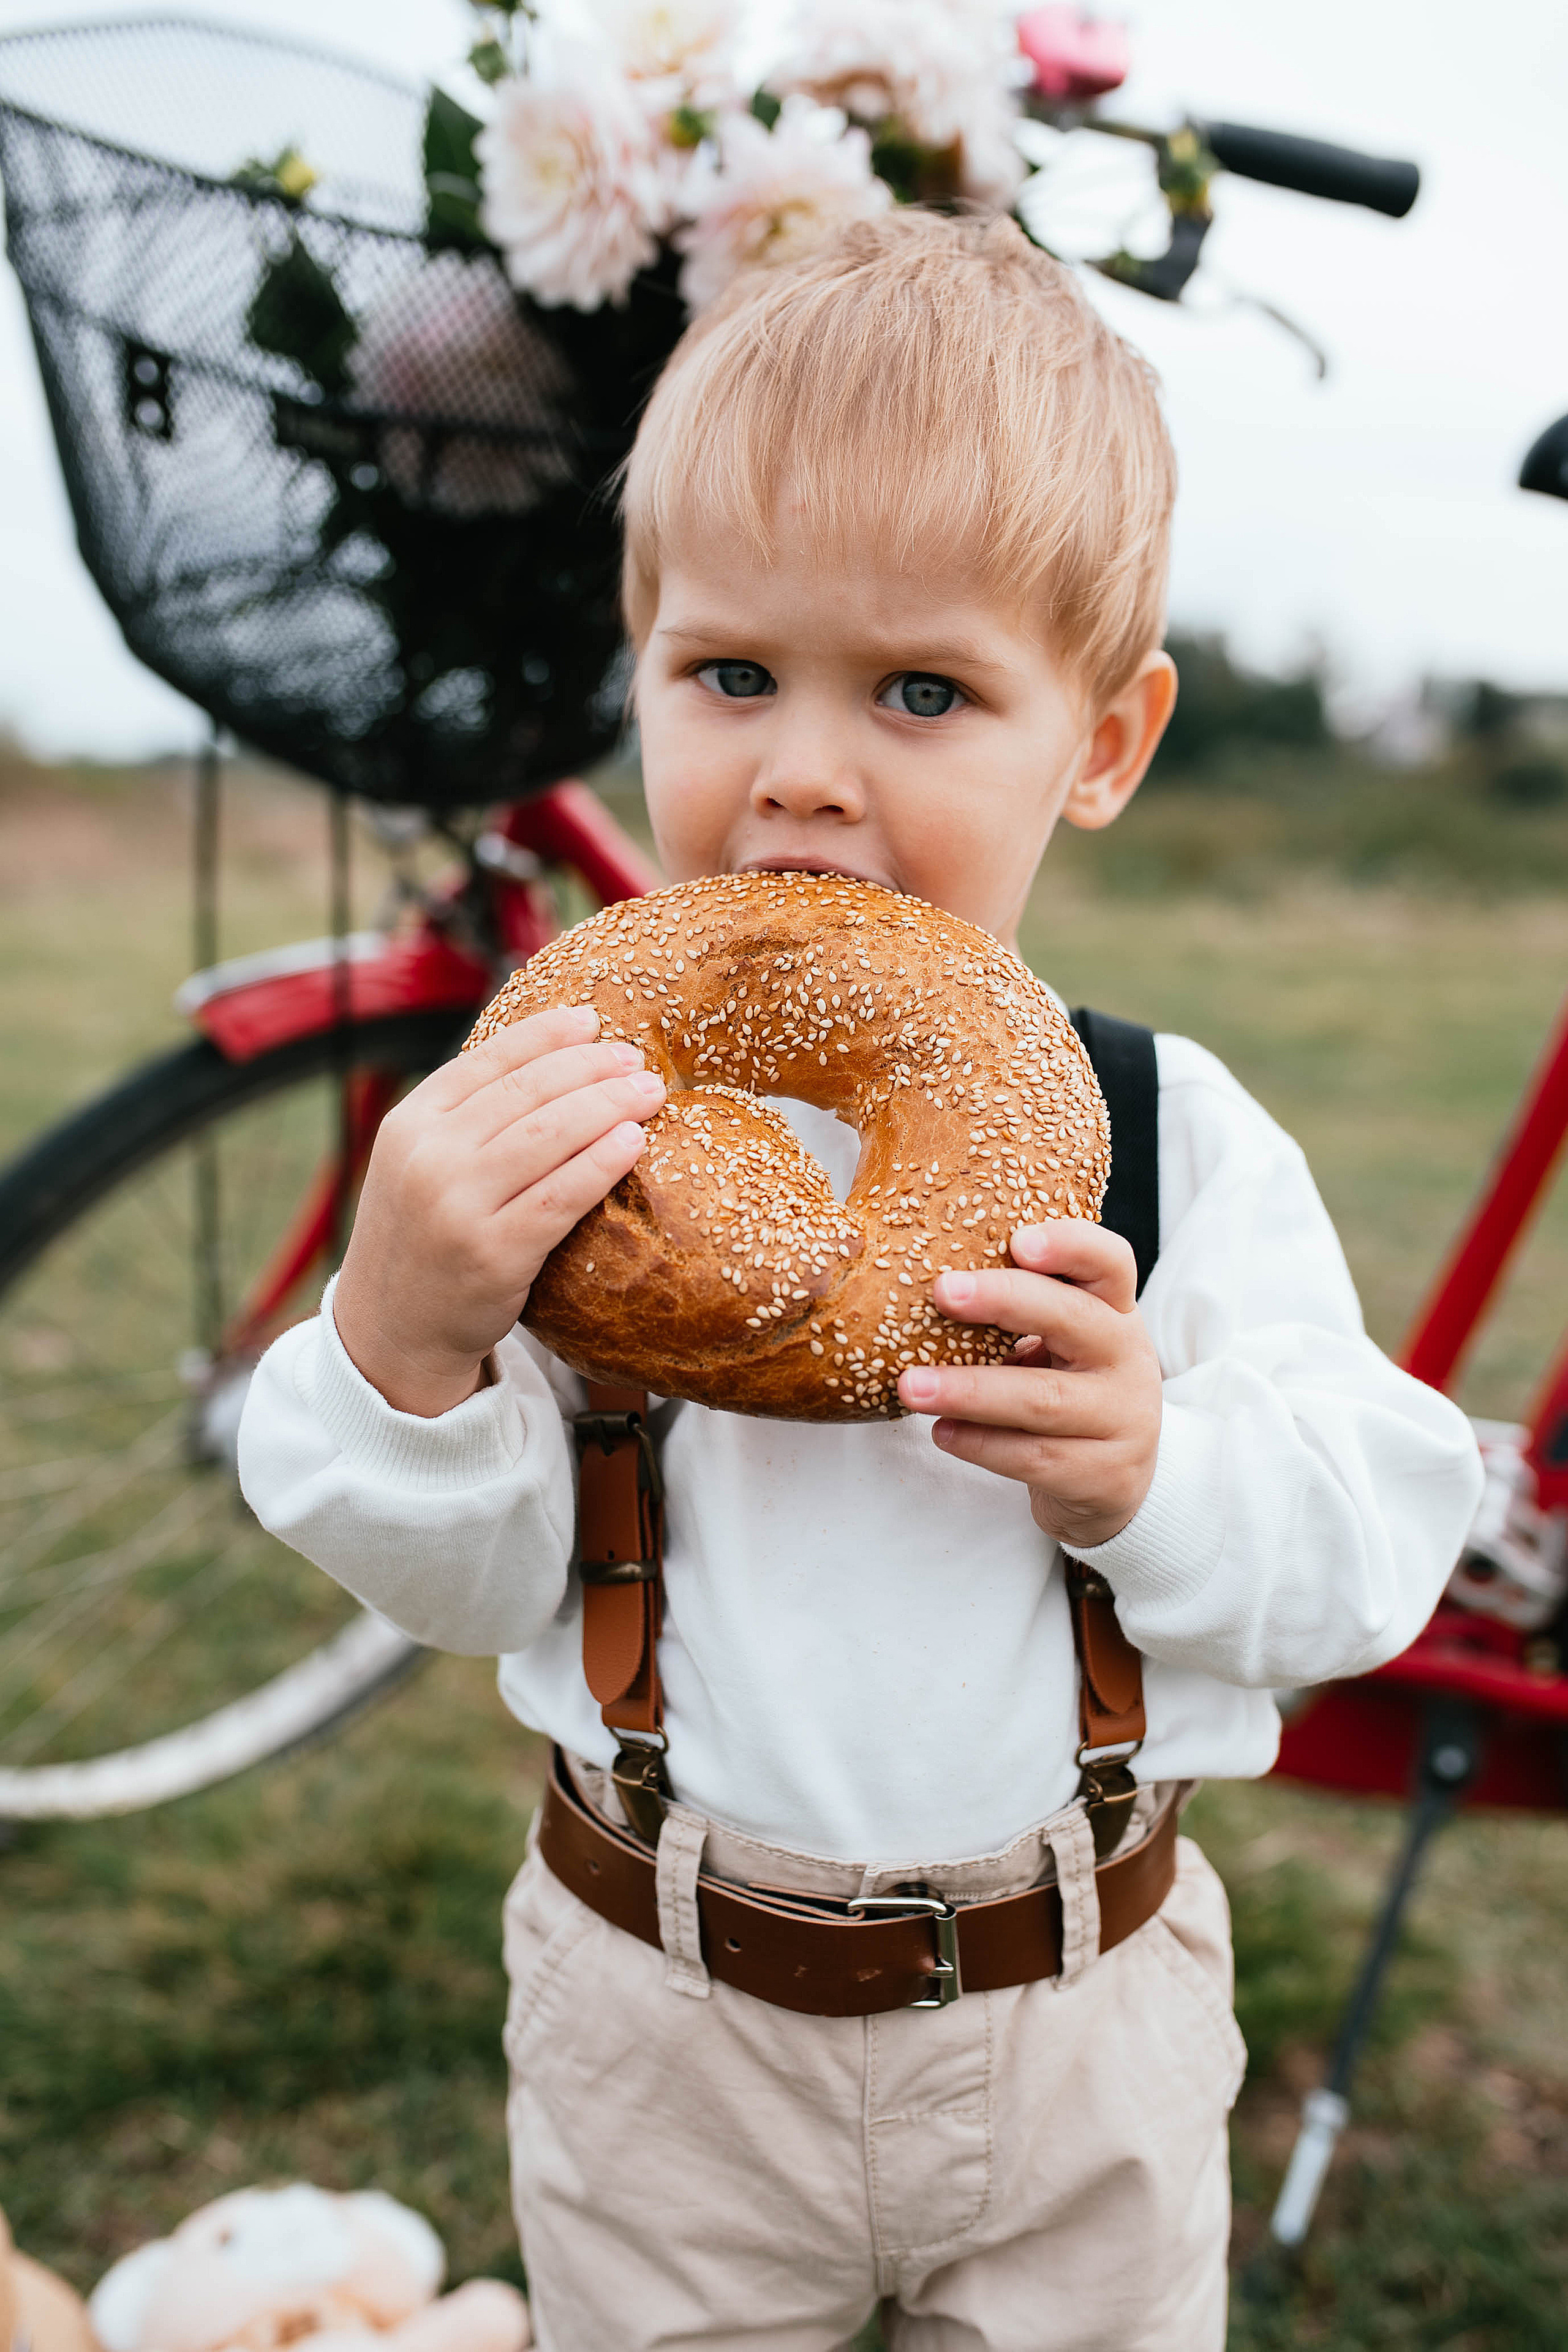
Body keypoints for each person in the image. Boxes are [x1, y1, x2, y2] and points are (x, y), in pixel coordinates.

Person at [238, 211, 1481, 2350]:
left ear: (1099, 740)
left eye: (921, 690)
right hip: (667, 2021)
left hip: (1076, 2017)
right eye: (732, 676)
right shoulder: (567, 1125)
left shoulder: (1168, 1138)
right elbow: (468, 1578)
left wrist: (1157, 1473)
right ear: (639, 674)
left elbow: (1379, 1544)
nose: (805, 768)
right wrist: (409, 1340)